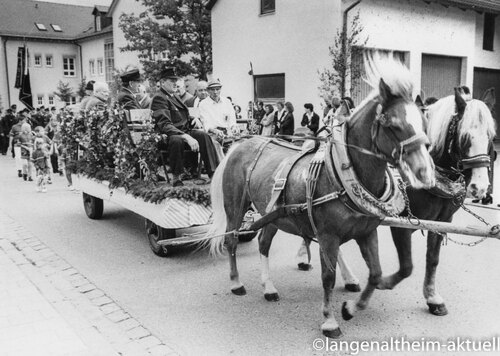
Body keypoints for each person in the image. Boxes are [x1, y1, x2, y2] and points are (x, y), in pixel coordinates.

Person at [150, 67, 219, 187]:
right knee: (177, 140)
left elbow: (182, 116)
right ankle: (177, 177)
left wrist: (193, 119)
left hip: (183, 131)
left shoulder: (173, 96)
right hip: (168, 136)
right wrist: (186, 136)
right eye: (171, 81)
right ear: (162, 82)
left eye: (175, 80)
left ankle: (214, 174)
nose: (175, 83)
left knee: (203, 136)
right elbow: (165, 125)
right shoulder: (159, 98)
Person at [8, 109, 28, 177]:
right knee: (18, 157)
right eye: (24, 120)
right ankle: (19, 170)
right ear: (20, 121)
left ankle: (25, 170)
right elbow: (11, 136)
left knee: (25, 158)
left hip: (25, 144)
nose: (25, 121)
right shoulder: (14, 127)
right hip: (17, 144)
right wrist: (10, 145)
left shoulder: (26, 126)